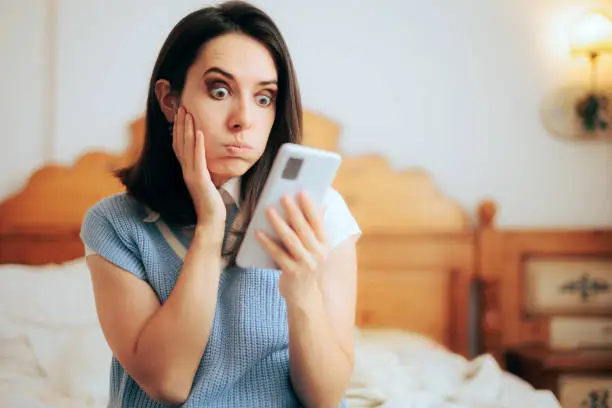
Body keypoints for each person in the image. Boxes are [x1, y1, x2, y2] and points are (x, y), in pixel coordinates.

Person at [80, 1, 361, 407]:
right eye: (220, 90)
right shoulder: (116, 225)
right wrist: (211, 224)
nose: (243, 118)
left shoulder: (319, 213)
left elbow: (326, 398)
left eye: (264, 98)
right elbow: (169, 384)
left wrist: (302, 292)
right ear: (170, 101)